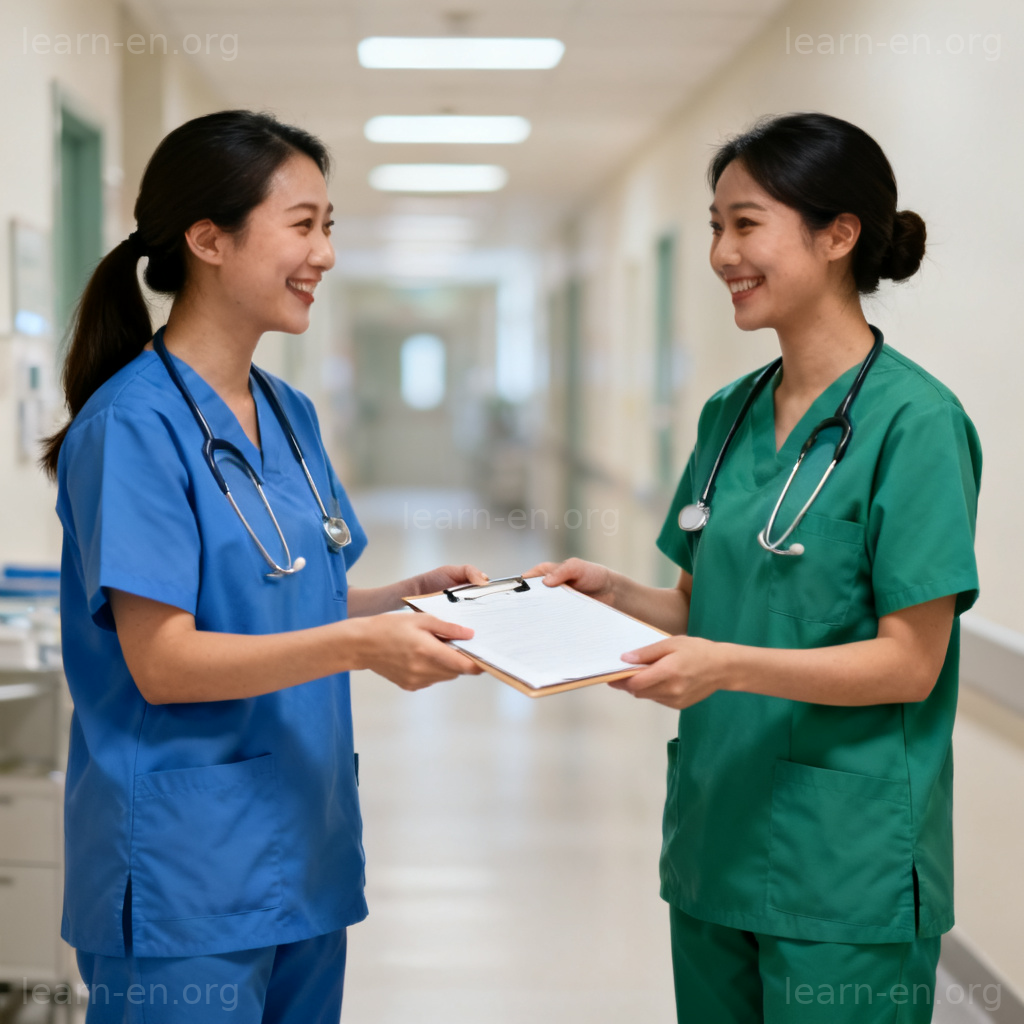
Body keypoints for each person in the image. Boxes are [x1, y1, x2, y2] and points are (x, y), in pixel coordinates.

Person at [532, 113, 981, 1023]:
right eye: (715, 226)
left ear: (838, 235)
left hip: (843, 860)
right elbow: (701, 606)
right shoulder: (728, 415)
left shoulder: (917, 424)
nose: (721, 254)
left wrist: (725, 667)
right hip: (717, 837)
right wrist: (614, 594)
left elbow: (910, 663)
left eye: (746, 224)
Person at [42, 110, 486, 1023]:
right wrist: (362, 646)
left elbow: (289, 594)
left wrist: (395, 602)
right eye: (303, 225)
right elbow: (164, 662)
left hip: (305, 847)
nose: (325, 254)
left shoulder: (287, 412)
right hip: (183, 870)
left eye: (330, 226)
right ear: (208, 240)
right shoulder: (132, 427)